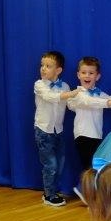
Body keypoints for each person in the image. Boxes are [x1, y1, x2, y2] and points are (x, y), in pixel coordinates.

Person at [67, 55, 111, 201]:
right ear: (78, 75)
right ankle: (83, 190)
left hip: (96, 135)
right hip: (83, 135)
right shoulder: (78, 94)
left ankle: (88, 191)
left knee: (95, 165)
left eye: (91, 73)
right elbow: (90, 102)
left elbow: (110, 98)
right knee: (89, 166)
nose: (87, 76)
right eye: (84, 72)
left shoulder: (99, 93)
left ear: (97, 76)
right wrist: (108, 103)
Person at [34, 50, 78, 207]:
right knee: (50, 165)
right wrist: (70, 94)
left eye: (48, 66)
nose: (43, 69)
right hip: (43, 130)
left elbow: (70, 104)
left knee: (59, 164)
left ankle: (51, 190)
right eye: (42, 65)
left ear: (58, 70)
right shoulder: (39, 85)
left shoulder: (64, 86)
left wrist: (84, 101)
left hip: (57, 131)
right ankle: (49, 195)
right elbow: (50, 97)